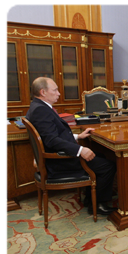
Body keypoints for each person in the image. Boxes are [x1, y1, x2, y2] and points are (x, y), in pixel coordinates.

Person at [26, 77, 117, 215]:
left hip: (56, 157)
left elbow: (51, 136)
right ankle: (98, 205)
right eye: (55, 90)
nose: (58, 93)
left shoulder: (37, 106)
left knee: (101, 155)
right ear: (43, 92)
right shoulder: (41, 110)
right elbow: (51, 140)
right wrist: (80, 150)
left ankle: (90, 198)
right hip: (58, 161)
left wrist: (77, 137)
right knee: (108, 166)